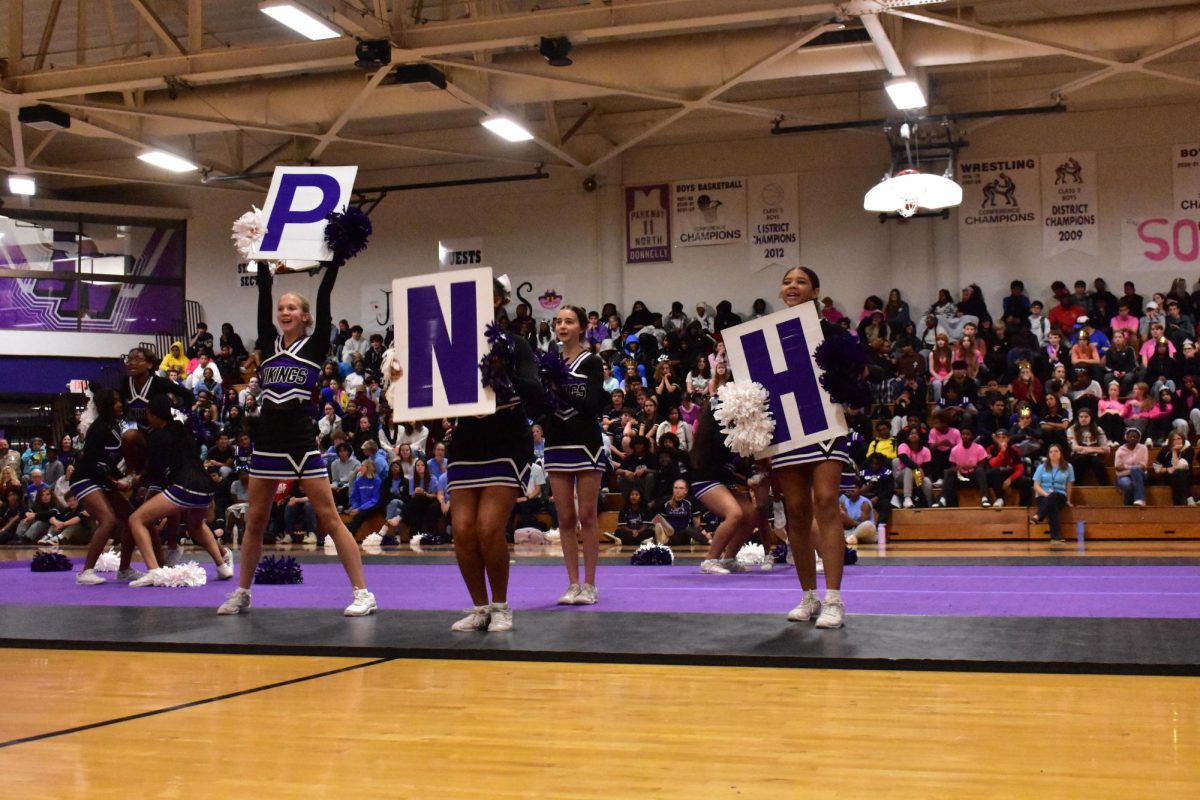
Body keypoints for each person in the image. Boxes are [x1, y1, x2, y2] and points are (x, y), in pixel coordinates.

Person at [218, 260, 375, 617]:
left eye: (293, 307)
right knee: (256, 519)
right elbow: (262, 292)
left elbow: (324, 293)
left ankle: (363, 592)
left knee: (329, 518)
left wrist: (335, 261)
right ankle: (243, 591)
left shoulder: (316, 343)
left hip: (301, 439)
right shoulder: (267, 342)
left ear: (305, 316)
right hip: (268, 438)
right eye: (282, 307)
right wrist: (261, 259)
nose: (285, 311)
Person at [435, 278, 545, 633]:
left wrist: (506, 369)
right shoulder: (454, 346)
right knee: (463, 531)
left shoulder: (516, 344)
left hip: (507, 439)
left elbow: (535, 391)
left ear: (498, 299)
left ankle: (501, 607)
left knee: (488, 528)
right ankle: (480, 607)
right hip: (467, 440)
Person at [772, 266, 854, 629]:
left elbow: (858, 373)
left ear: (816, 291)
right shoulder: (766, 335)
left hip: (825, 424)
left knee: (825, 501)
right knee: (797, 512)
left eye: (801, 282)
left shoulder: (832, 332)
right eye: (788, 282)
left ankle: (834, 599)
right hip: (787, 427)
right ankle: (808, 595)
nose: (793, 287)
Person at [126, 395, 234, 587]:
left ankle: (153, 571)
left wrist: (138, 480)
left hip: (185, 486)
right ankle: (222, 565)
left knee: (136, 519)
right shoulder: (182, 428)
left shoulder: (157, 436)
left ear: (152, 415)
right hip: (206, 487)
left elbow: (156, 470)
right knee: (196, 526)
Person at [540, 305, 608, 606]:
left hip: (585, 444)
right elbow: (543, 404)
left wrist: (558, 385)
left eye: (569, 321)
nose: (562, 326)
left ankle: (590, 584)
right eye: (558, 321)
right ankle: (572, 583)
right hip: (556, 444)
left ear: (581, 327)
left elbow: (592, 403)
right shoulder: (548, 362)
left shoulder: (592, 361)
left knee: (587, 516)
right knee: (565, 518)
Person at [71, 390, 139, 586]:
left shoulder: (115, 426)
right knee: (108, 520)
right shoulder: (99, 428)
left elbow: (109, 463)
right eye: (114, 401)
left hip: (101, 479)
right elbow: (93, 463)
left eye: (120, 401)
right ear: (105, 405)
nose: (119, 404)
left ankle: (124, 569)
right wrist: (115, 482)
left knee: (132, 519)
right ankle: (86, 572)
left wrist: (122, 478)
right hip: (85, 478)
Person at [121, 346, 195, 430]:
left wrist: (185, 413)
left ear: (149, 364)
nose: (131, 363)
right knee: (130, 436)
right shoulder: (126, 382)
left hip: (161, 432)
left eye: (137, 359)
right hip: (140, 430)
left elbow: (188, 395)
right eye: (129, 359)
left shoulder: (160, 382)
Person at [1031, 444, 1074, 543]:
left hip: (1060, 496)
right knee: (1052, 504)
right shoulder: (1041, 467)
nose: (1053, 454)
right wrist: (1046, 495)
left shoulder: (1068, 467)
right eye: (1051, 452)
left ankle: (1038, 516)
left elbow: (1069, 485)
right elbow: (1036, 486)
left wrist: (1068, 500)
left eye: (1056, 451)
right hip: (1042, 495)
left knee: (1054, 496)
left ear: (1061, 453)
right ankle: (1056, 537)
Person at [939, 427, 990, 507]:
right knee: (949, 472)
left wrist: (973, 467)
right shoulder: (955, 449)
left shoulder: (979, 448)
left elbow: (983, 465)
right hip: (960, 477)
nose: (965, 436)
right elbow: (952, 466)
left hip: (973, 477)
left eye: (967, 434)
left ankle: (984, 498)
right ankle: (942, 499)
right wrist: (958, 468)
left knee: (980, 471)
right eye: (963, 434)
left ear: (972, 436)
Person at [1067, 408, 1110, 485]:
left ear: (1091, 418)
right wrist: (1097, 449)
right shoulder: (1071, 429)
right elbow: (1075, 447)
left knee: (1096, 461)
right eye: (1081, 417)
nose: (1083, 419)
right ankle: (1078, 486)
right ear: (1078, 418)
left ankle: (1106, 487)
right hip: (1079, 456)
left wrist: (1089, 450)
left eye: (1086, 416)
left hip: (1094, 456)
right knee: (1080, 459)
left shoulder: (1098, 429)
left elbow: (1106, 449)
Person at [1114, 427, 1149, 507]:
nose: (1133, 438)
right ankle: (1127, 507)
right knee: (1128, 484)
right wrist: (1133, 468)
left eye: (1135, 436)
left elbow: (1143, 466)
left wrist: (1125, 467)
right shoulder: (1120, 450)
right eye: (1131, 436)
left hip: (1141, 475)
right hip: (1123, 476)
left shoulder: (1143, 448)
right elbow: (1118, 467)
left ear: (1138, 438)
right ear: (1126, 437)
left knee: (1136, 470)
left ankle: (1140, 499)